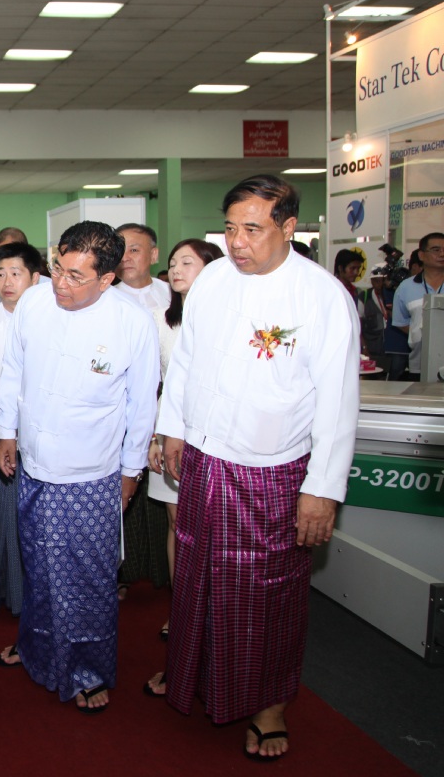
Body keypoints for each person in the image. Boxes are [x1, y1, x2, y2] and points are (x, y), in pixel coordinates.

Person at [151, 175, 359, 760]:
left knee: (269, 591)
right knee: (196, 575)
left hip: (272, 470)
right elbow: (186, 362)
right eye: (230, 229)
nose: (237, 242)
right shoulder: (214, 278)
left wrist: (322, 489)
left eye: (252, 229)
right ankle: (192, 672)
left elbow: (339, 401)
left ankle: (270, 705)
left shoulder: (322, 297)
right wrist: (173, 428)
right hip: (204, 456)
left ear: (288, 228)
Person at [0, 221, 159, 714]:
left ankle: (87, 669)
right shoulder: (34, 302)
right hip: (35, 465)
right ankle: (36, 648)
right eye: (58, 269)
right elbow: (13, 370)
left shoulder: (132, 323)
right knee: (39, 566)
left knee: (88, 578)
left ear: (107, 279)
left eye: (76, 277)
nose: (61, 284)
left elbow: (141, 406)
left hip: (92, 472)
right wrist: (6, 431)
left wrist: (130, 472)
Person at [142, 239, 223, 643]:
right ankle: (182, 610)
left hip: (217, 436)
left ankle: (215, 611)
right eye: (173, 263)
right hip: (168, 431)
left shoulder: (228, 320)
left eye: (186, 262)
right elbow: (152, 385)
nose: (175, 269)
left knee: (212, 528)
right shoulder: (161, 320)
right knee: (177, 524)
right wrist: (154, 437)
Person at [0, 242, 43, 620]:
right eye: (0, 274)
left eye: (16, 273)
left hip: (38, 438)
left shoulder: (50, 320)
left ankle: (31, 598)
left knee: (35, 520)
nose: (7, 282)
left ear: (36, 278)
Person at [113, 223, 172, 600]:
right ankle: (123, 571)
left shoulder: (172, 295)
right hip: (122, 406)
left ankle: (163, 570)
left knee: (162, 490)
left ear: (153, 254)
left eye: (135, 249)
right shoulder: (106, 297)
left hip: (166, 404)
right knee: (127, 487)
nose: (126, 257)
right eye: (120, 249)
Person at [392, 232, 444, 382]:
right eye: (436, 250)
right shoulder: (406, 287)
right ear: (421, 255)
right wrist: (422, 334)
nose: (442, 254)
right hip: (419, 363)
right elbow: (401, 322)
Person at [114, 223, 172, 311]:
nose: (124, 258)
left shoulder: (171, 293)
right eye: (119, 252)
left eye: (134, 250)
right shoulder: (103, 299)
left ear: (153, 255)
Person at [361, 265, 388, 366]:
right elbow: (358, 325)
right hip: (371, 348)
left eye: (383, 281)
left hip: (389, 348)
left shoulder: (392, 296)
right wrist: (364, 347)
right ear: (371, 281)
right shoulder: (364, 297)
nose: (380, 284)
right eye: (377, 281)